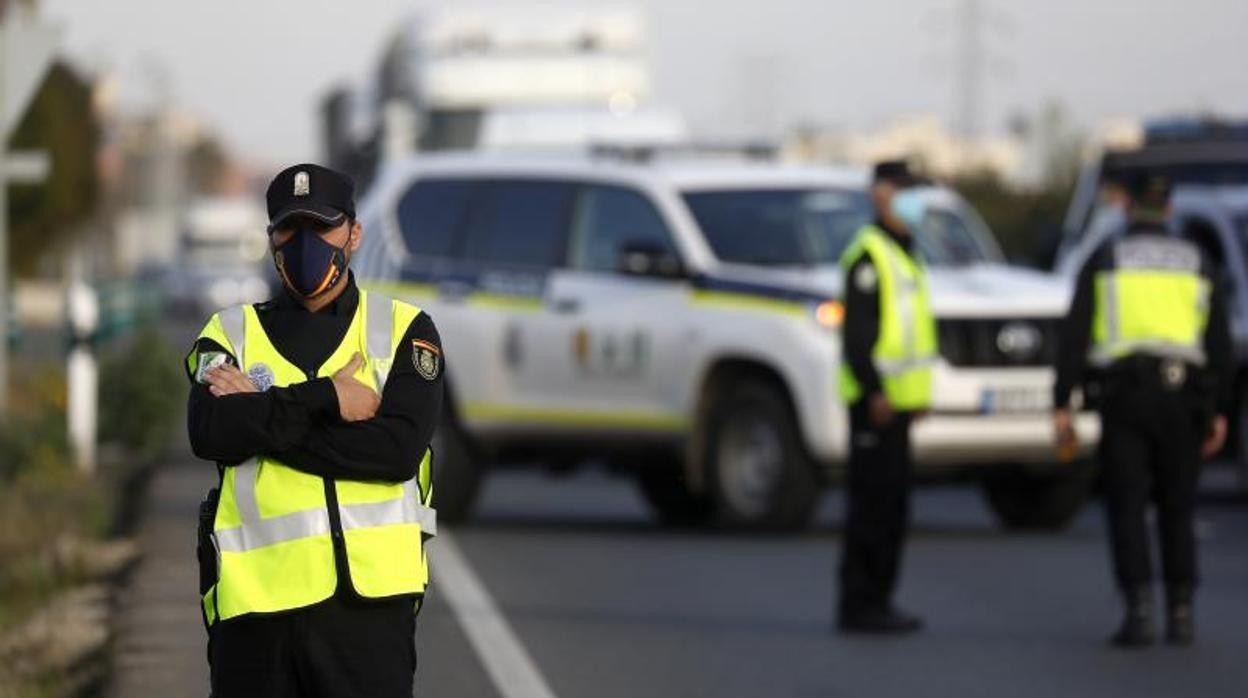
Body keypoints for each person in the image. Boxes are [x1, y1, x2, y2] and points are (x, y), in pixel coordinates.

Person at [186, 164, 443, 696]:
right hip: (257, 613)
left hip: (368, 614)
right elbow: (210, 431)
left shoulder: (403, 330)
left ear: (353, 234)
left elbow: (393, 452)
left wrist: (261, 420)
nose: (305, 244)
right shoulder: (229, 333)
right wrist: (327, 397)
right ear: (271, 238)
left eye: (321, 227)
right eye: (289, 228)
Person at [1053, 172, 1231, 648]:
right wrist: (1218, 410)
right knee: (1178, 506)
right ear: (1169, 210)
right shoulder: (1198, 260)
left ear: (1128, 209)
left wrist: (1061, 401)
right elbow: (1218, 343)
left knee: (1128, 506)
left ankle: (1140, 611)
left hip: (1124, 397)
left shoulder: (1107, 256)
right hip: (1184, 399)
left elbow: (1074, 333)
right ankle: (1182, 611)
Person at [836, 160, 939, 634]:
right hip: (874, 404)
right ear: (881, 195)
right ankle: (859, 604)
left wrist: (916, 395)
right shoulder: (869, 257)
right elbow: (858, 337)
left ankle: (881, 599)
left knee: (894, 507)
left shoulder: (906, 254)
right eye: (905, 190)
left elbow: (911, 337)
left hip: (899, 405)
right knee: (871, 508)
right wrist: (876, 391)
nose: (915, 200)